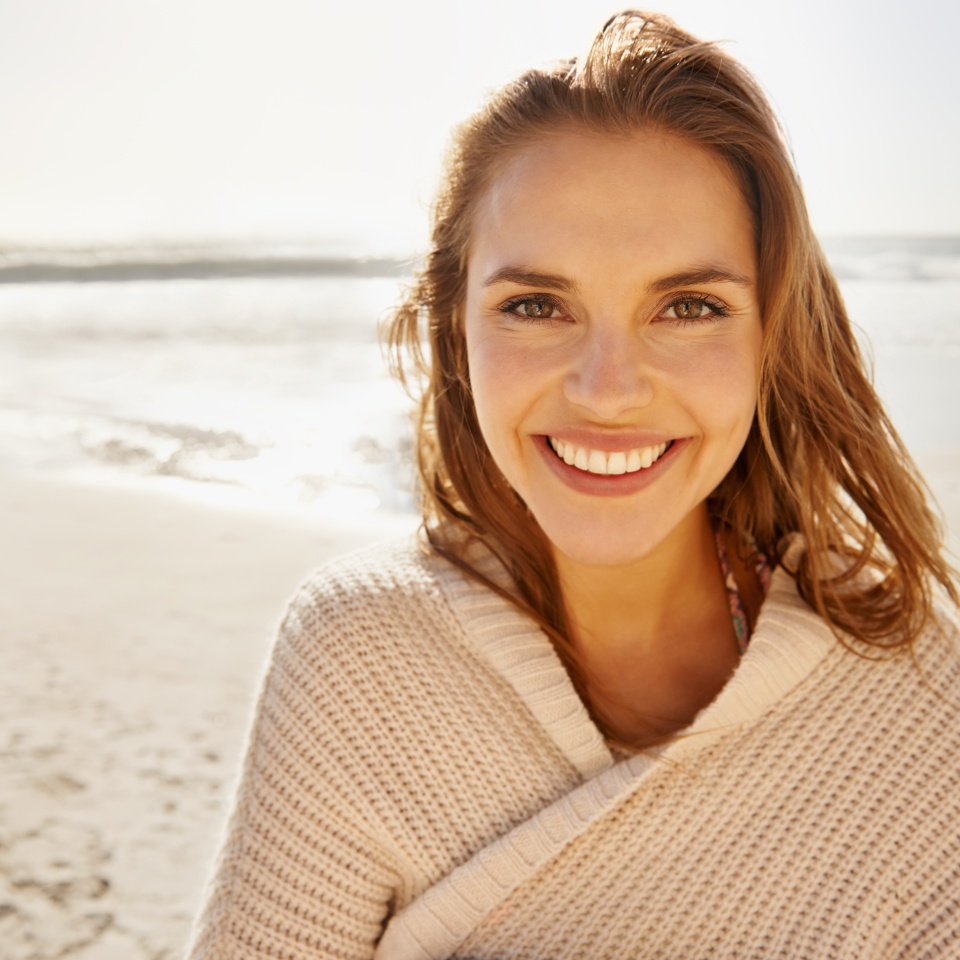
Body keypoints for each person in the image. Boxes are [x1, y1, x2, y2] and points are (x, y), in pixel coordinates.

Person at [187, 11, 960, 958]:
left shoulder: (919, 693)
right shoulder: (358, 657)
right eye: (536, 305)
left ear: (773, 336)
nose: (608, 392)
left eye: (687, 306)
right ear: (456, 332)